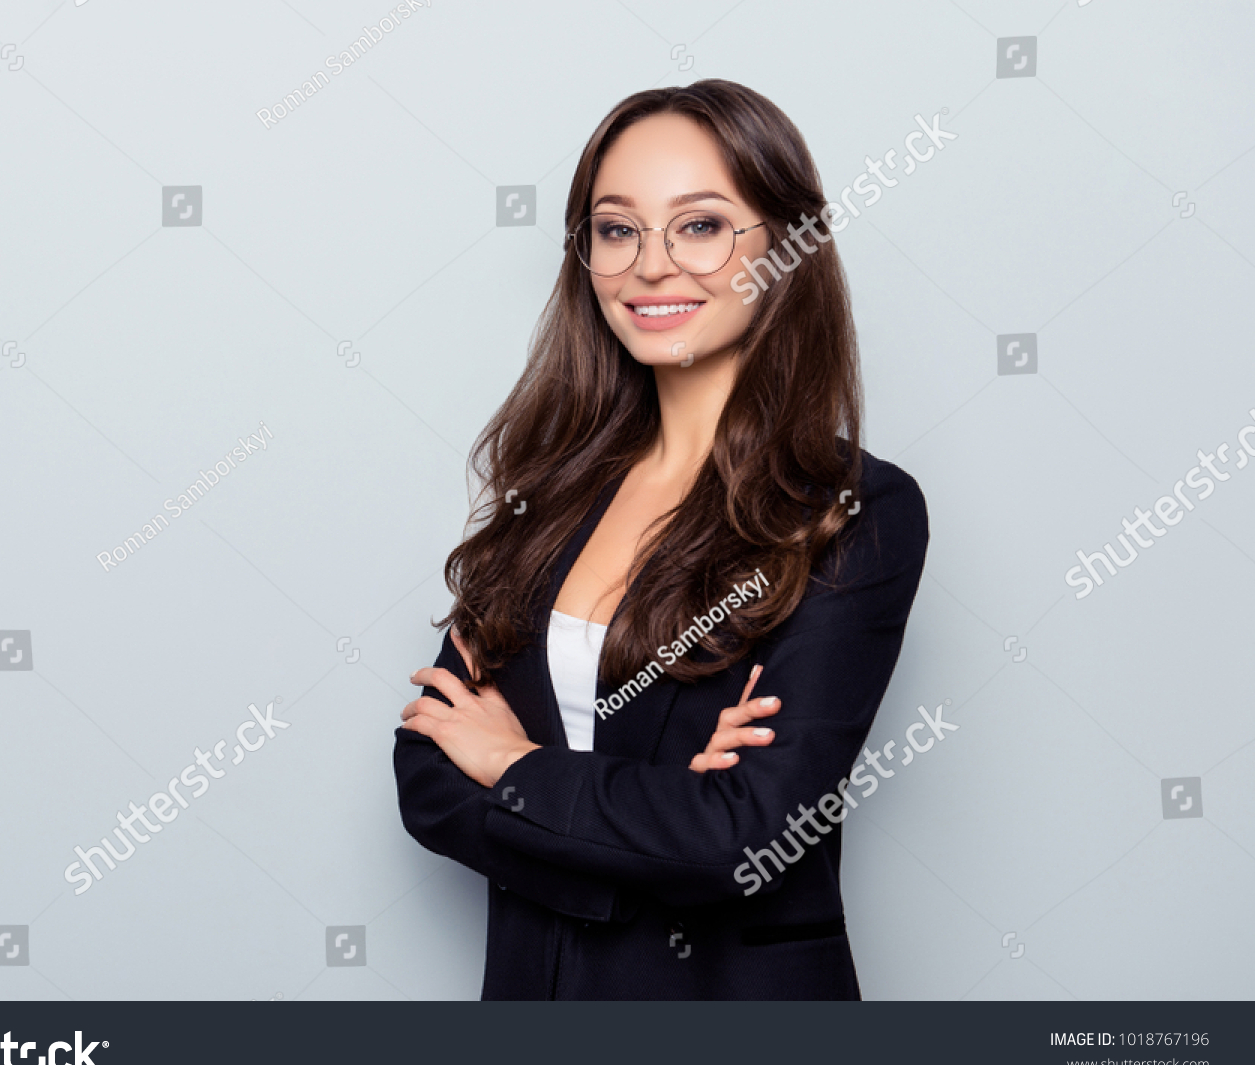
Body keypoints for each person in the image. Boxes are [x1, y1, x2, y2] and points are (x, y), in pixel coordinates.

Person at [393, 78, 928, 999]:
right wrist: (664, 806)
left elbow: (746, 837)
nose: (650, 265)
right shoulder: (548, 491)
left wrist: (514, 765)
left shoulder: (852, 509)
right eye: (617, 229)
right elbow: (430, 776)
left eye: (701, 225)